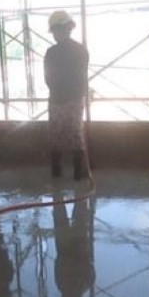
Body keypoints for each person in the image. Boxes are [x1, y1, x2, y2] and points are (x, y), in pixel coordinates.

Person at [44, 10, 90, 180]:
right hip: (75, 97)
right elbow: (82, 76)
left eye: (55, 31)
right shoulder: (81, 50)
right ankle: (78, 171)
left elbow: (48, 78)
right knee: (75, 132)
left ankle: (57, 170)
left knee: (56, 133)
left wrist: (57, 89)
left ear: (60, 30)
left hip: (58, 97)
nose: (55, 35)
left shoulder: (51, 52)